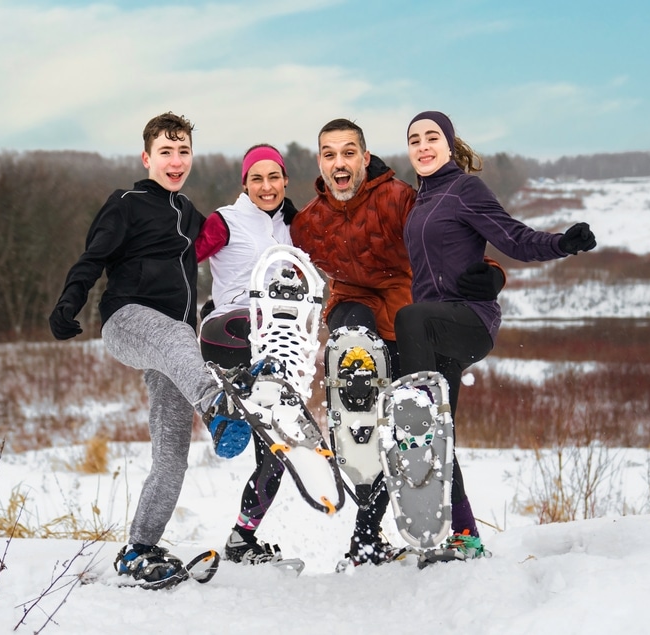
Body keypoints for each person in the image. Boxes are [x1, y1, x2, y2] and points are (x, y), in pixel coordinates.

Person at [47, 112, 253, 584]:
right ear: (147, 158)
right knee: (181, 336)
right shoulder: (126, 203)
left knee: (172, 456)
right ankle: (217, 408)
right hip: (127, 320)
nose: (175, 161)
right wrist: (68, 302)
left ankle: (138, 550)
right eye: (166, 152)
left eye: (183, 152)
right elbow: (93, 257)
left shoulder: (188, 212)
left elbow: (230, 237)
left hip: (171, 348)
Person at [290, 118, 506, 566]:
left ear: (364, 158)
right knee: (363, 400)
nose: (339, 162)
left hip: (415, 326)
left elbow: (449, 244)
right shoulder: (309, 223)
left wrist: (491, 276)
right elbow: (279, 260)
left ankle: (464, 534)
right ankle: (366, 541)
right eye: (329, 154)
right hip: (358, 318)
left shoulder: (400, 199)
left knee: (421, 433)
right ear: (320, 163)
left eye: (348, 152)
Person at [398, 110, 597, 559]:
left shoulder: (464, 189)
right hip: (433, 333)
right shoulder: (420, 200)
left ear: (450, 145)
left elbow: (514, 238)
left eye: (432, 137)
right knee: (442, 435)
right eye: (415, 140)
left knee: (410, 322)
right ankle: (465, 536)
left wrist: (563, 243)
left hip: (468, 319)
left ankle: (415, 424)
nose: (423, 146)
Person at [194, 144, 298, 566]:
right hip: (230, 329)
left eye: (274, 177)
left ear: (285, 180)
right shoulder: (226, 221)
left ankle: (242, 538)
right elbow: (183, 258)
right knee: (250, 324)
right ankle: (226, 405)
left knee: (277, 453)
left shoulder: (292, 226)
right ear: (245, 183)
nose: (266, 186)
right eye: (257, 178)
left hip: (278, 342)